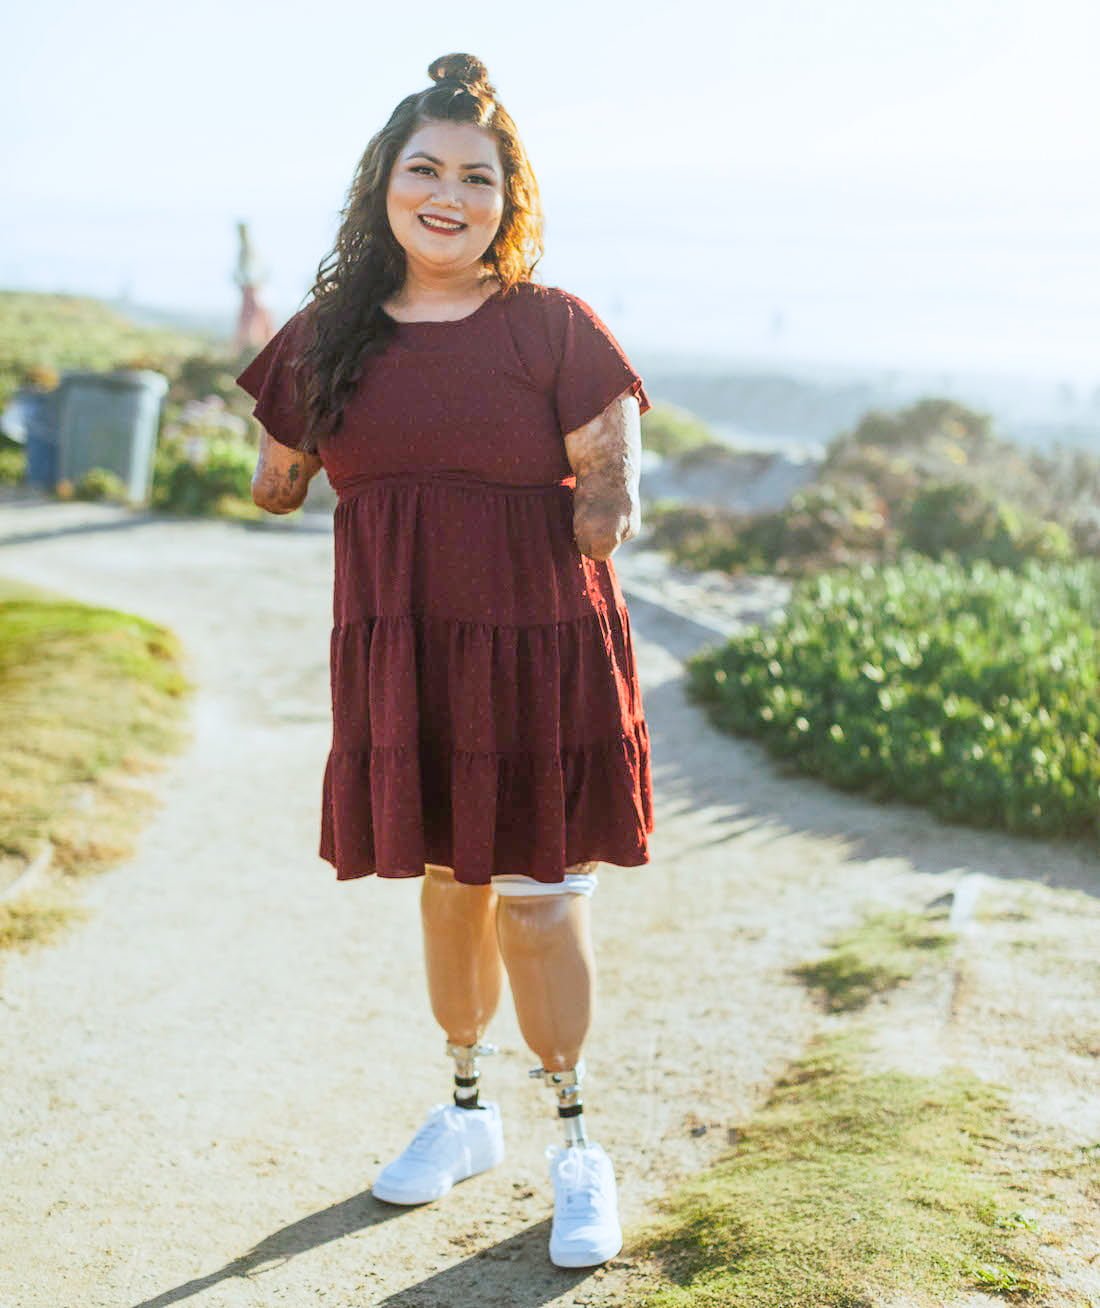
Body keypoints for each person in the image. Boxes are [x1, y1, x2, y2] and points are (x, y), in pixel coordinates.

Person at [235, 52, 654, 1270]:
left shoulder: (551, 324)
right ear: (384, 185)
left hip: (538, 651)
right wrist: (275, 406)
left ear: (506, 200)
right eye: (425, 169)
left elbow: (605, 499)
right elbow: (272, 488)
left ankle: (577, 1145)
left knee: (535, 899)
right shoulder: (329, 338)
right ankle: (468, 1113)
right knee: (445, 885)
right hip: (405, 653)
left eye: (477, 177)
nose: (448, 195)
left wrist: (598, 484)